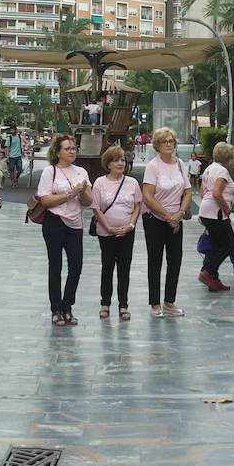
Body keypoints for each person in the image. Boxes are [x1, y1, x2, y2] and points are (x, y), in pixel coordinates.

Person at [36, 134, 91, 326]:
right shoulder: (50, 172)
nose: (72, 151)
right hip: (54, 221)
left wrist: (82, 192)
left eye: (73, 148)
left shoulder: (81, 172)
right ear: (57, 152)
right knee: (55, 266)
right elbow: (44, 200)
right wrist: (69, 194)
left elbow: (89, 202)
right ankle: (56, 309)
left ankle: (68, 306)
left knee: (76, 265)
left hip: (75, 223)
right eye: (67, 148)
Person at [142, 128, 192, 318]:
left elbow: (187, 191)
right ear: (157, 145)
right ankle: (154, 302)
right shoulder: (153, 166)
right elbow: (147, 196)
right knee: (155, 261)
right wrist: (167, 216)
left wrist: (179, 213)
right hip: (155, 219)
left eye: (171, 141)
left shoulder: (179, 163)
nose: (169, 144)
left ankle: (169, 300)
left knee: (175, 260)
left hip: (176, 220)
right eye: (164, 142)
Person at [91, 144, 141, 320]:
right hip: (106, 232)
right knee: (107, 267)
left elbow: (137, 207)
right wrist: (108, 228)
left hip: (127, 232)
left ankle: (123, 305)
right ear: (108, 163)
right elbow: (96, 208)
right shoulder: (100, 182)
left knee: (124, 269)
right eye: (115, 160)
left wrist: (131, 225)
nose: (120, 163)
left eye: (122, 160)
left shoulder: (132, 182)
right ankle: (105, 303)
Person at [197, 142, 234, 292]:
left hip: (206, 211)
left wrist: (232, 204)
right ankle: (208, 272)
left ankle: (213, 278)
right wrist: (226, 208)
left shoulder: (209, 169)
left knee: (217, 243)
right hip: (217, 214)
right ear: (227, 158)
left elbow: (203, 192)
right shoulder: (222, 171)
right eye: (233, 158)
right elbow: (216, 193)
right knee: (229, 243)